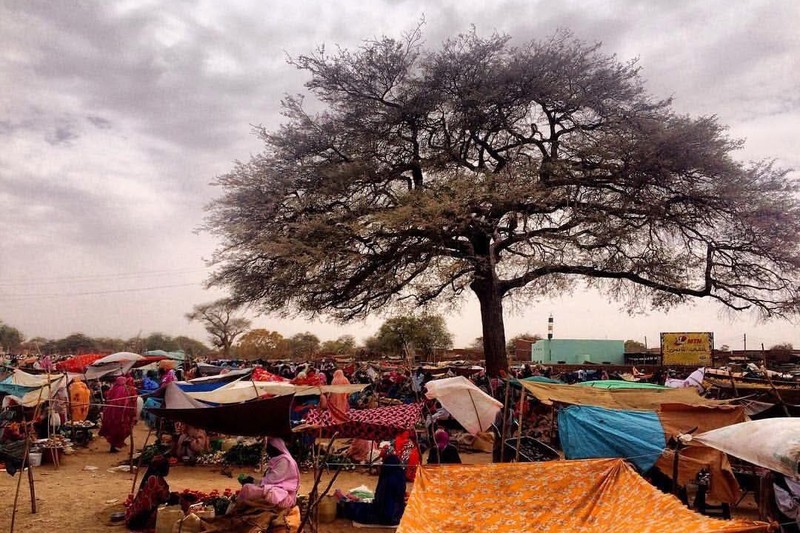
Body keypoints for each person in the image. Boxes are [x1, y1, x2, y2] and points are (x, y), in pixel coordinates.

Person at [235, 437, 300, 533]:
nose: (267, 450)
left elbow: (271, 480)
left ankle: (238, 510)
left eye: (269, 448)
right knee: (250, 488)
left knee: (247, 489)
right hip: (276, 490)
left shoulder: (284, 461)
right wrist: (254, 481)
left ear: (276, 448)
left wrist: (253, 482)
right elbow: (269, 481)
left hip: (284, 497)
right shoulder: (279, 460)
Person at [342, 454, 406, 526]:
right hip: (398, 515)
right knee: (360, 506)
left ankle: (343, 505)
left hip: (385, 517)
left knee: (354, 509)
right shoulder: (400, 476)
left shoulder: (388, 480)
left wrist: (360, 501)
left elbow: (381, 504)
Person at [125, 455, 172, 531]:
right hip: (144, 517)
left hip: (135, 515)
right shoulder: (158, 482)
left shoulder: (150, 478)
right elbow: (165, 498)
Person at [99, 376, 137, 452]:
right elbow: (125, 403)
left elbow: (108, 398)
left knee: (113, 429)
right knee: (120, 430)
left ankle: (113, 445)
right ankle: (115, 445)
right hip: (121, 414)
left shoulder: (113, 389)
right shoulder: (124, 390)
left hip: (111, 414)